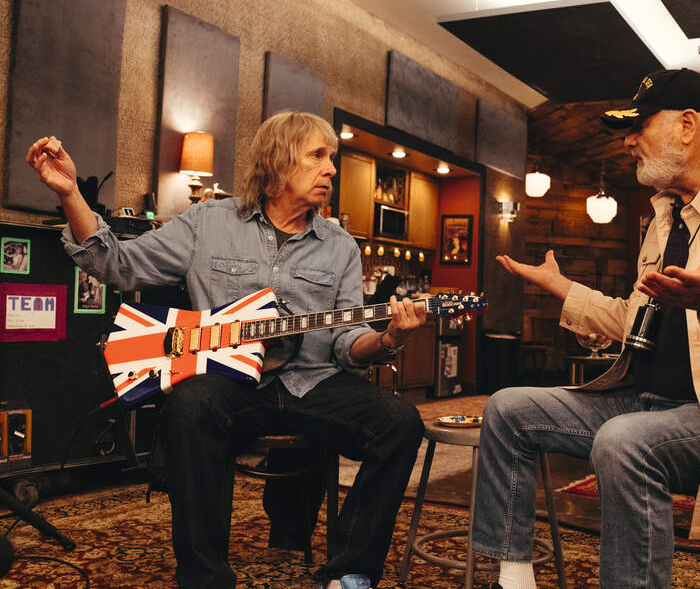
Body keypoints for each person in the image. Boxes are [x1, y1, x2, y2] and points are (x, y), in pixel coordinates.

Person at [474, 68, 700, 589]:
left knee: (626, 443)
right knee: (508, 407)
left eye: (640, 125)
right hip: (645, 400)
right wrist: (562, 289)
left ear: (687, 125)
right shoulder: (667, 215)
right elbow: (635, 322)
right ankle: (513, 576)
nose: (629, 140)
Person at [27, 111, 428, 589]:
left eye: (332, 159)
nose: (332, 170)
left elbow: (346, 345)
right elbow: (119, 264)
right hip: (231, 382)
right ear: (279, 160)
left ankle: (351, 572)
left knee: (401, 422)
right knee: (189, 406)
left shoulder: (340, 246)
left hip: (313, 383)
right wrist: (71, 195)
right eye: (318, 156)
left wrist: (389, 339)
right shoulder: (207, 223)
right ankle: (205, 577)